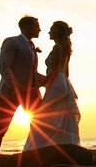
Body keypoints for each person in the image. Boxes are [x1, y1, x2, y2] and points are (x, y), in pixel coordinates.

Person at [0, 16, 46, 160]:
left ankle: (37, 156)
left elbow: (31, 72)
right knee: (1, 128)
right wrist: (15, 87)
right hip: (10, 93)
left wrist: (52, 80)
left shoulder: (31, 46)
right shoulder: (11, 42)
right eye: (37, 26)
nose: (40, 29)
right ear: (27, 27)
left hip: (31, 93)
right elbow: (4, 66)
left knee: (40, 125)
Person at [23, 20, 81, 151]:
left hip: (56, 84)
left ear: (57, 32)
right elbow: (66, 72)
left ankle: (36, 148)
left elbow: (55, 71)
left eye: (51, 29)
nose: (49, 32)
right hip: (63, 83)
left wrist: (43, 83)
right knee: (60, 117)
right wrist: (65, 86)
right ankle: (60, 146)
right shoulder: (65, 48)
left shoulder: (57, 47)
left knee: (45, 118)